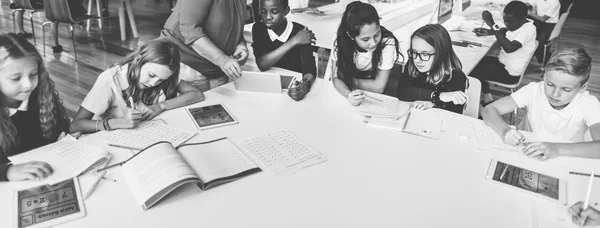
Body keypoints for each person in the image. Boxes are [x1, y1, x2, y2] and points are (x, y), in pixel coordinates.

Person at [481, 47, 600, 160]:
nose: (555, 94)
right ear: (544, 76)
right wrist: (504, 131)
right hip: (527, 153)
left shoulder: (589, 104)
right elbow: (488, 110)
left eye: (566, 89)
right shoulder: (533, 90)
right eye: (550, 84)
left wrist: (556, 149)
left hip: (566, 158)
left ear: (582, 87)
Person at [69, 39, 205, 133]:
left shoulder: (164, 74)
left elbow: (197, 94)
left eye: (162, 80)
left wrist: (161, 106)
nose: (153, 83)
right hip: (114, 136)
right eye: (151, 75)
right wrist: (117, 122)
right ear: (139, 59)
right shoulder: (110, 80)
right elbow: (75, 126)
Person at [0, 33, 71, 181]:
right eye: (16, 78)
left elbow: (60, 126)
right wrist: (8, 171)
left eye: (33, 74)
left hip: (48, 176)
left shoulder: (42, 95)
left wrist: (67, 136)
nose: (28, 84)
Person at [161, 0, 249, 92]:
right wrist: (221, 58)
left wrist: (240, 45)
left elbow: (233, 25)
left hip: (216, 69)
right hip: (186, 63)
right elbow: (190, 30)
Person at [330, 1, 402, 106]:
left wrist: (347, 80)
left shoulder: (387, 42)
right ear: (351, 36)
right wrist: (348, 94)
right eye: (365, 39)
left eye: (377, 34)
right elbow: (336, 79)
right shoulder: (339, 40)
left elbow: (379, 87)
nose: (373, 43)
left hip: (375, 97)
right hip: (349, 95)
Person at [471, 0, 537, 105]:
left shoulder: (527, 30)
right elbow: (505, 30)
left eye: (510, 21)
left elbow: (509, 48)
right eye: (505, 20)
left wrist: (492, 24)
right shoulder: (520, 24)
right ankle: (487, 98)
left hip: (509, 74)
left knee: (472, 70)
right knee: (476, 61)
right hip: (505, 64)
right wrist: (489, 31)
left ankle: (476, 105)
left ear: (523, 18)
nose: (507, 24)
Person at [252, 0, 317, 101]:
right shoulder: (258, 28)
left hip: (292, 89)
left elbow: (309, 68)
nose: (268, 17)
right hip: (269, 91)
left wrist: (305, 84)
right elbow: (262, 64)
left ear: (286, 11)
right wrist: (294, 41)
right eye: (263, 11)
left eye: (274, 12)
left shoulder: (300, 31)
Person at [396, 24, 469, 114]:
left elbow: (454, 113)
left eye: (425, 54)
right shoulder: (412, 64)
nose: (417, 60)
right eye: (414, 52)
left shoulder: (457, 77)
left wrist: (433, 105)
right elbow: (402, 91)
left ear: (441, 54)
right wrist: (437, 96)